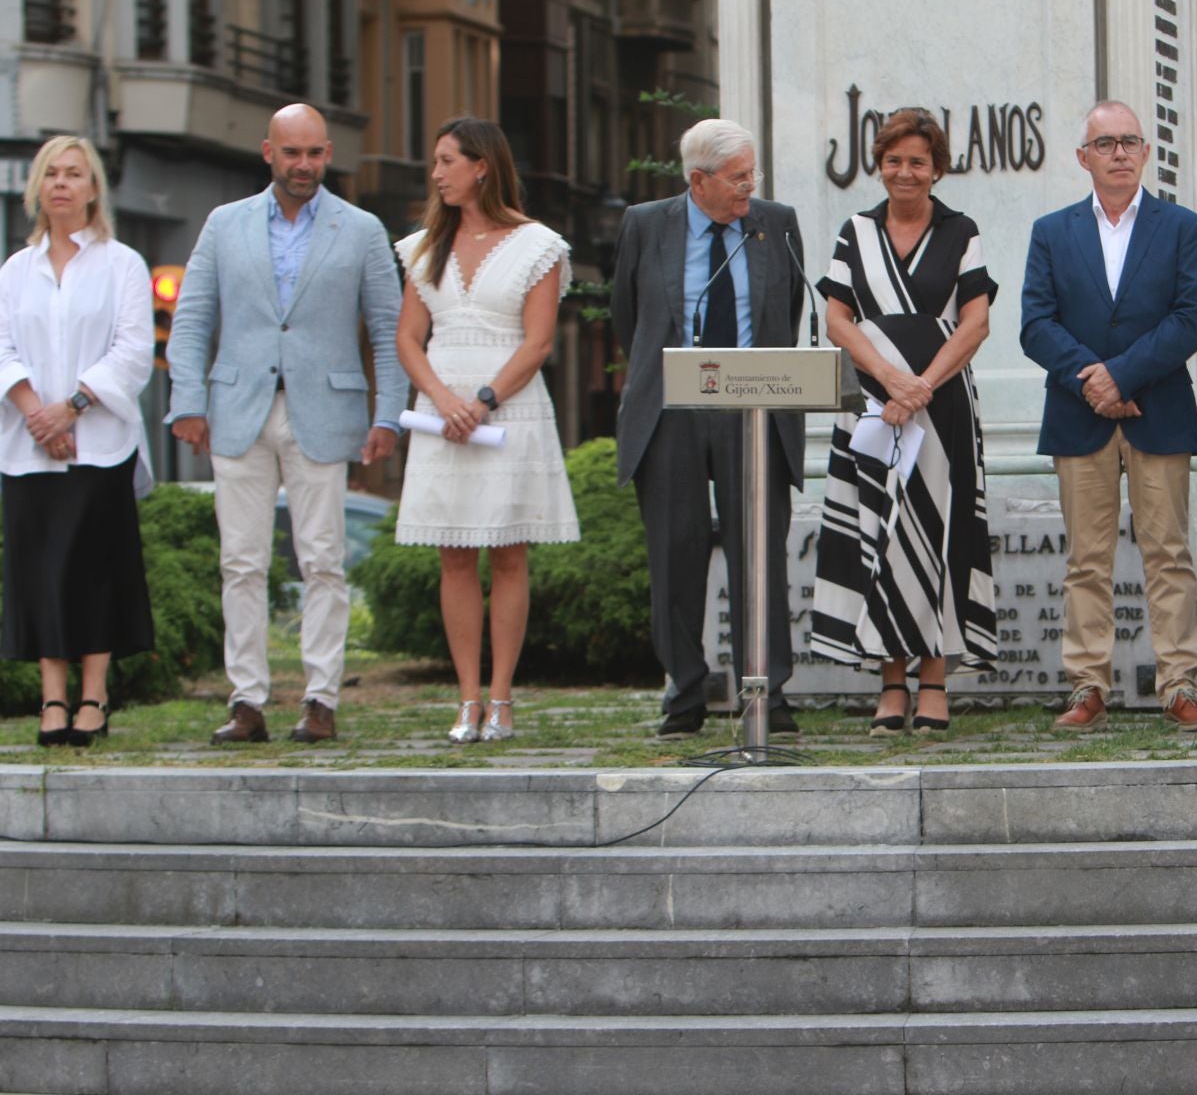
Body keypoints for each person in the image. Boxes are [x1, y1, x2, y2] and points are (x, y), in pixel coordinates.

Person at [166, 104, 406, 744]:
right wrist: (186, 402)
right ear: (268, 153)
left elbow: (390, 331)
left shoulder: (360, 229)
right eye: (291, 153)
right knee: (240, 561)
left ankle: (321, 698)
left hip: (326, 413)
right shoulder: (224, 224)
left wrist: (387, 416)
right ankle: (246, 700)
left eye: (315, 154)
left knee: (323, 559)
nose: (304, 166)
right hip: (236, 409)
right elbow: (192, 320)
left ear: (329, 154)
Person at [1020, 101, 1197, 734]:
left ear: (1146, 152)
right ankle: (1087, 687)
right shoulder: (1052, 231)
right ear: (1084, 157)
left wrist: (1124, 376)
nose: (1120, 153)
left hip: (1156, 409)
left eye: (1130, 141)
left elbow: (1191, 316)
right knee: (1086, 559)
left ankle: (1179, 684)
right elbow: (1035, 324)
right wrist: (1092, 381)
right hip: (1081, 416)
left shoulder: (1181, 227)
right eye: (1105, 144)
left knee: (1169, 552)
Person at [611, 118, 807, 740]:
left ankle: (765, 691)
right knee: (676, 551)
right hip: (672, 410)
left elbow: (786, 311)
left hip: (755, 409)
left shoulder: (774, 223)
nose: (749, 187)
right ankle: (685, 688)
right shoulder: (647, 225)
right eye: (737, 178)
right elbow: (629, 317)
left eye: (753, 174)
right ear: (698, 181)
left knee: (760, 552)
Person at [809, 108, 997, 736]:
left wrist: (921, 387)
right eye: (894, 160)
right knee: (878, 531)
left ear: (936, 168)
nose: (905, 171)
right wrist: (891, 381)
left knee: (939, 532)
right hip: (870, 401)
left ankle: (935, 679)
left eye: (918, 161)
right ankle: (891, 682)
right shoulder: (854, 231)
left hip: (940, 404)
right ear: (880, 165)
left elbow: (975, 322)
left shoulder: (960, 230)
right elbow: (835, 319)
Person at [394, 117, 578, 743]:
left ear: (482, 166)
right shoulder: (423, 247)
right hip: (443, 414)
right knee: (453, 554)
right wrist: (445, 400)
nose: (437, 173)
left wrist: (484, 399)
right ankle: (466, 698)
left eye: (448, 160)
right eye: (435, 161)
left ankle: (502, 697)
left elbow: (539, 340)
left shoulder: (539, 245)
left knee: (507, 552)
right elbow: (407, 337)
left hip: (509, 409)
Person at [0, 135, 154, 746]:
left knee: (94, 568)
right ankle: (51, 697)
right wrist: (35, 415)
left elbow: (132, 350)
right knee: (40, 571)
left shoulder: (122, 264)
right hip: (30, 449)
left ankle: (94, 697)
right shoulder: (14, 270)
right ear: (37, 188)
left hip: (97, 443)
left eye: (73, 173)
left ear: (93, 187)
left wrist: (73, 408)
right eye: (51, 173)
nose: (61, 183)